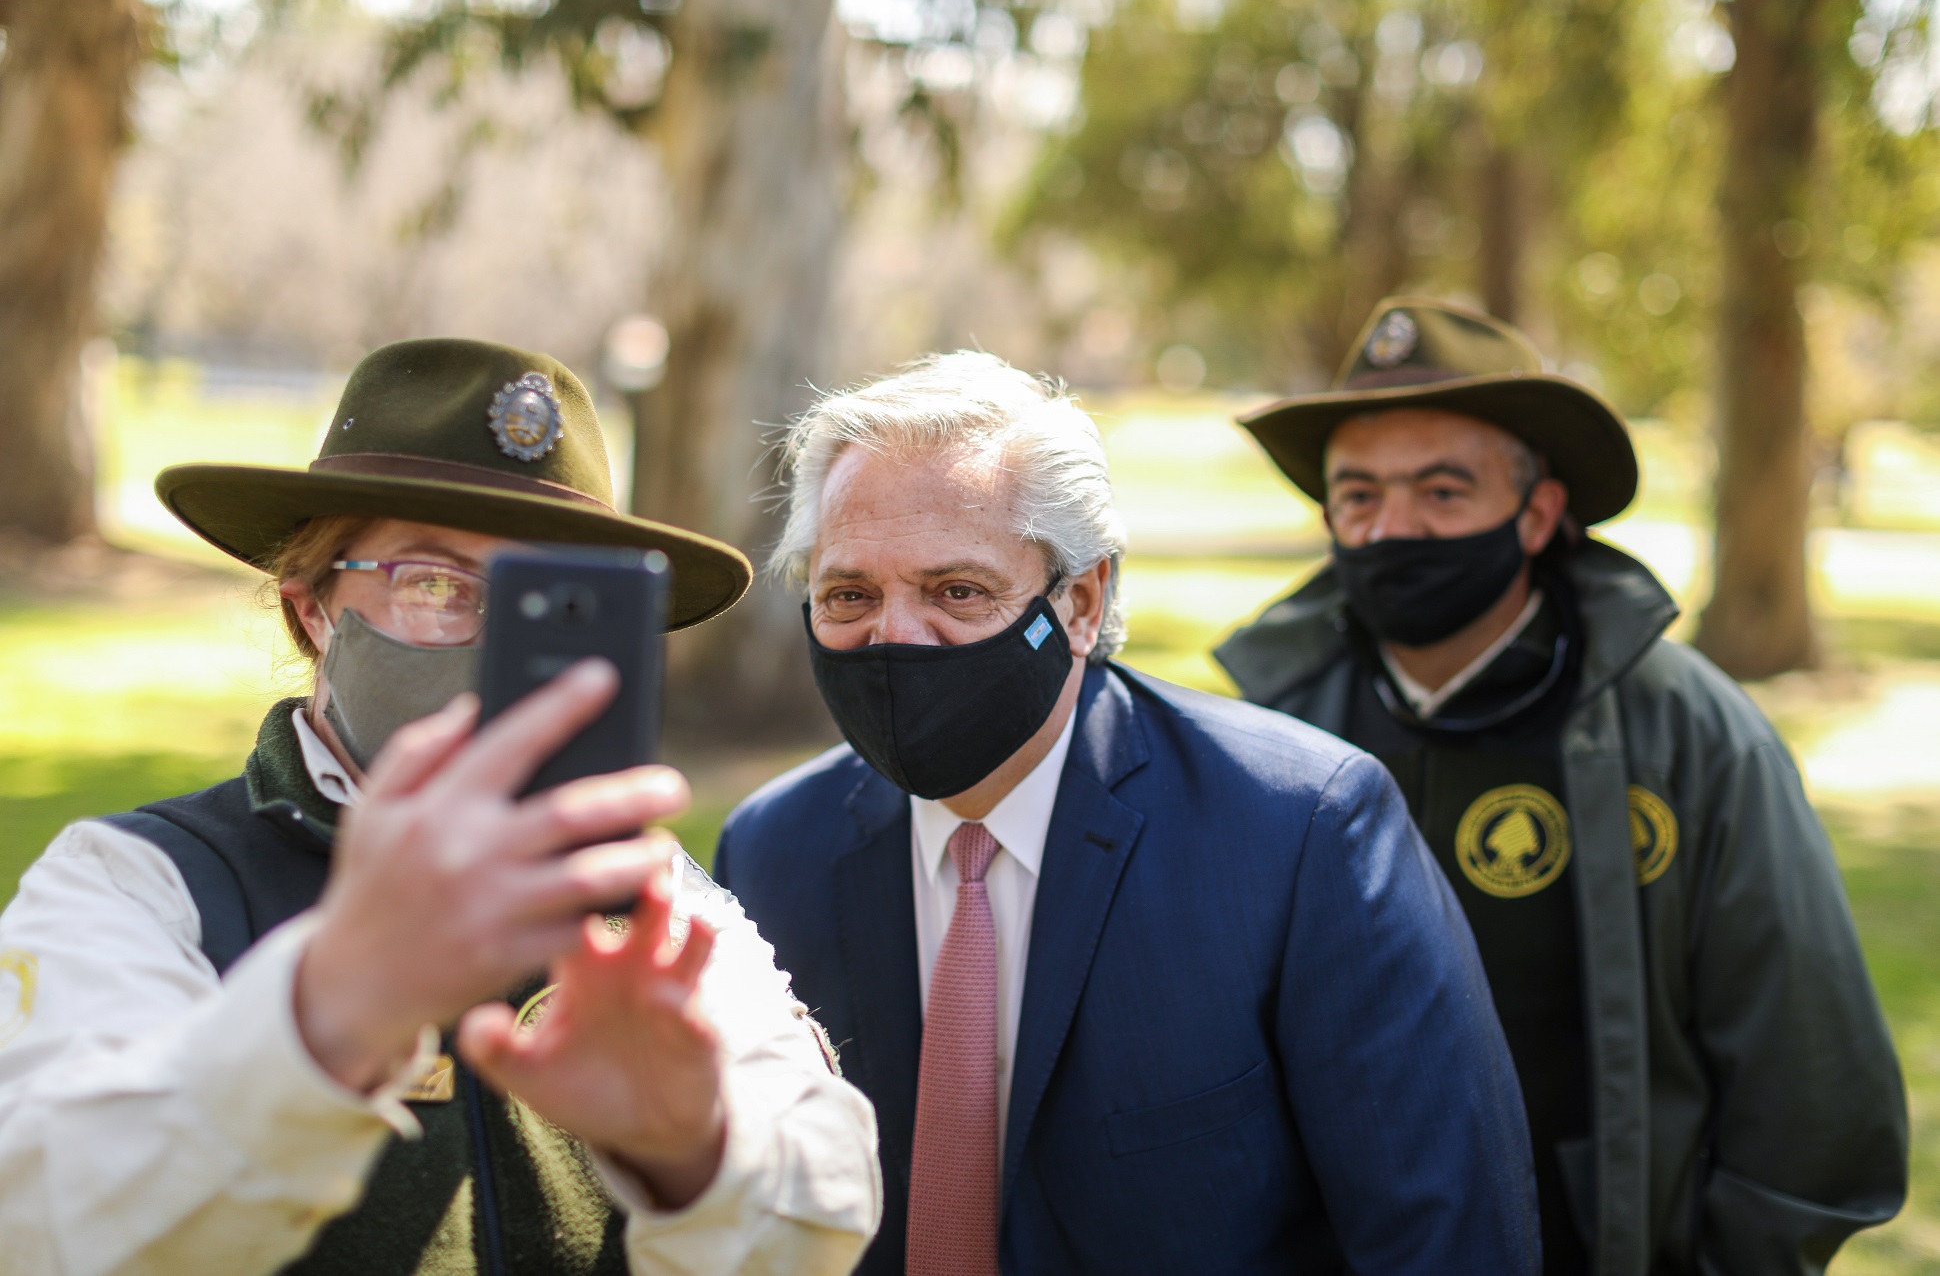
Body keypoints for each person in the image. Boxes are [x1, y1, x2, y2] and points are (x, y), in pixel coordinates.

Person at [0, 339, 881, 1275]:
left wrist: (694, 1150)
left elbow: (824, 1215)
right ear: (313, 609)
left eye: (550, 600)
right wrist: (329, 1009)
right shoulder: (140, 883)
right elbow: (45, 1223)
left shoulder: (654, 890)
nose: (494, 642)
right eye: (433, 584)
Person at [712, 351, 1541, 1276]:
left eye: (957, 591)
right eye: (849, 594)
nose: (894, 638)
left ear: (1080, 599)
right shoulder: (770, 851)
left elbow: (1445, 1238)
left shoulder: (1303, 833)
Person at [1215, 298, 1909, 1275]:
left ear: (1537, 513)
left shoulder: (1689, 738)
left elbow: (1810, 1093)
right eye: (1357, 495)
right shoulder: (1255, 735)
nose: (1391, 529)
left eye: (1442, 492)